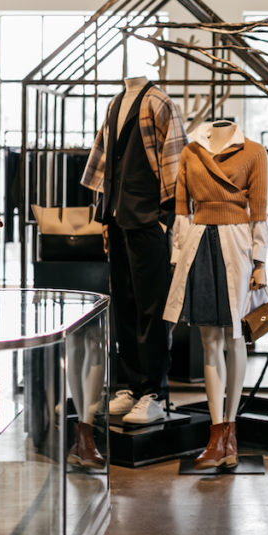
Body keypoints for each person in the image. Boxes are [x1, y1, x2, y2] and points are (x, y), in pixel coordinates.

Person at [163, 120, 268, 469]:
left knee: (236, 338)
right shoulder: (190, 151)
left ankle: (231, 430)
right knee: (209, 341)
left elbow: (259, 211)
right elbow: (181, 209)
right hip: (200, 244)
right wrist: (178, 256)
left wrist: (260, 262)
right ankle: (216, 432)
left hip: (236, 245)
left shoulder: (254, 152)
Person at [81, 76, 187, 425]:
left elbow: (174, 160)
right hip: (117, 218)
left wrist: (165, 218)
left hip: (148, 219)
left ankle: (153, 392)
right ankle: (129, 386)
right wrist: (104, 213)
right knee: (124, 306)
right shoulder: (115, 103)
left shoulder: (158, 102)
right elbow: (106, 162)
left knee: (151, 308)